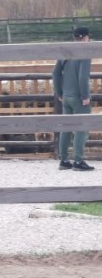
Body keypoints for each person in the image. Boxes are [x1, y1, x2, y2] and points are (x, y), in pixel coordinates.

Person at [52, 27, 94, 171]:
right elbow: (83, 77)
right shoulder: (85, 53)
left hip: (66, 97)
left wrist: (59, 92)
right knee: (82, 129)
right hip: (79, 97)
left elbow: (55, 73)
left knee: (67, 128)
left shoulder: (66, 52)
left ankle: (64, 160)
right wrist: (85, 96)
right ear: (86, 38)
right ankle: (78, 161)